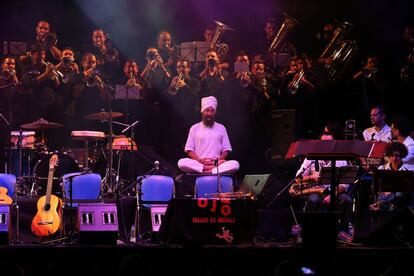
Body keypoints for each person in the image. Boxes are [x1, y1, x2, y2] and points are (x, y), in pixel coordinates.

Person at [289, 131, 353, 240]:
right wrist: (311, 177)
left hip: (334, 191)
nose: (327, 145)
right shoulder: (311, 158)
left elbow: (345, 184)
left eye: (330, 143)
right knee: (313, 200)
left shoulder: (341, 159)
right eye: (324, 143)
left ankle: (342, 231)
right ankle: (315, 232)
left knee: (347, 200)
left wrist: (333, 194)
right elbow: (297, 178)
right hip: (315, 191)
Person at [177, 96, 239, 174]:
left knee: (235, 164)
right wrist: (199, 160)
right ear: (202, 111)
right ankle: (211, 170)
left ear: (215, 112)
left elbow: (226, 149)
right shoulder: (194, 128)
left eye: (212, 111)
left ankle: (204, 171)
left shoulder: (221, 128)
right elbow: (189, 150)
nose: (209, 113)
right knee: (181, 163)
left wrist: (217, 161)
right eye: (207, 110)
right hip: (199, 163)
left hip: (216, 163)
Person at [369, 142, 411, 211]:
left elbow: (407, 190)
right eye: (392, 156)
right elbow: (376, 187)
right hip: (384, 196)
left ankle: (380, 205)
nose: (394, 158)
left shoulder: (408, 170)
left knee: (398, 194)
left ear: (402, 156)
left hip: (401, 199)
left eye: (397, 156)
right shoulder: (382, 169)